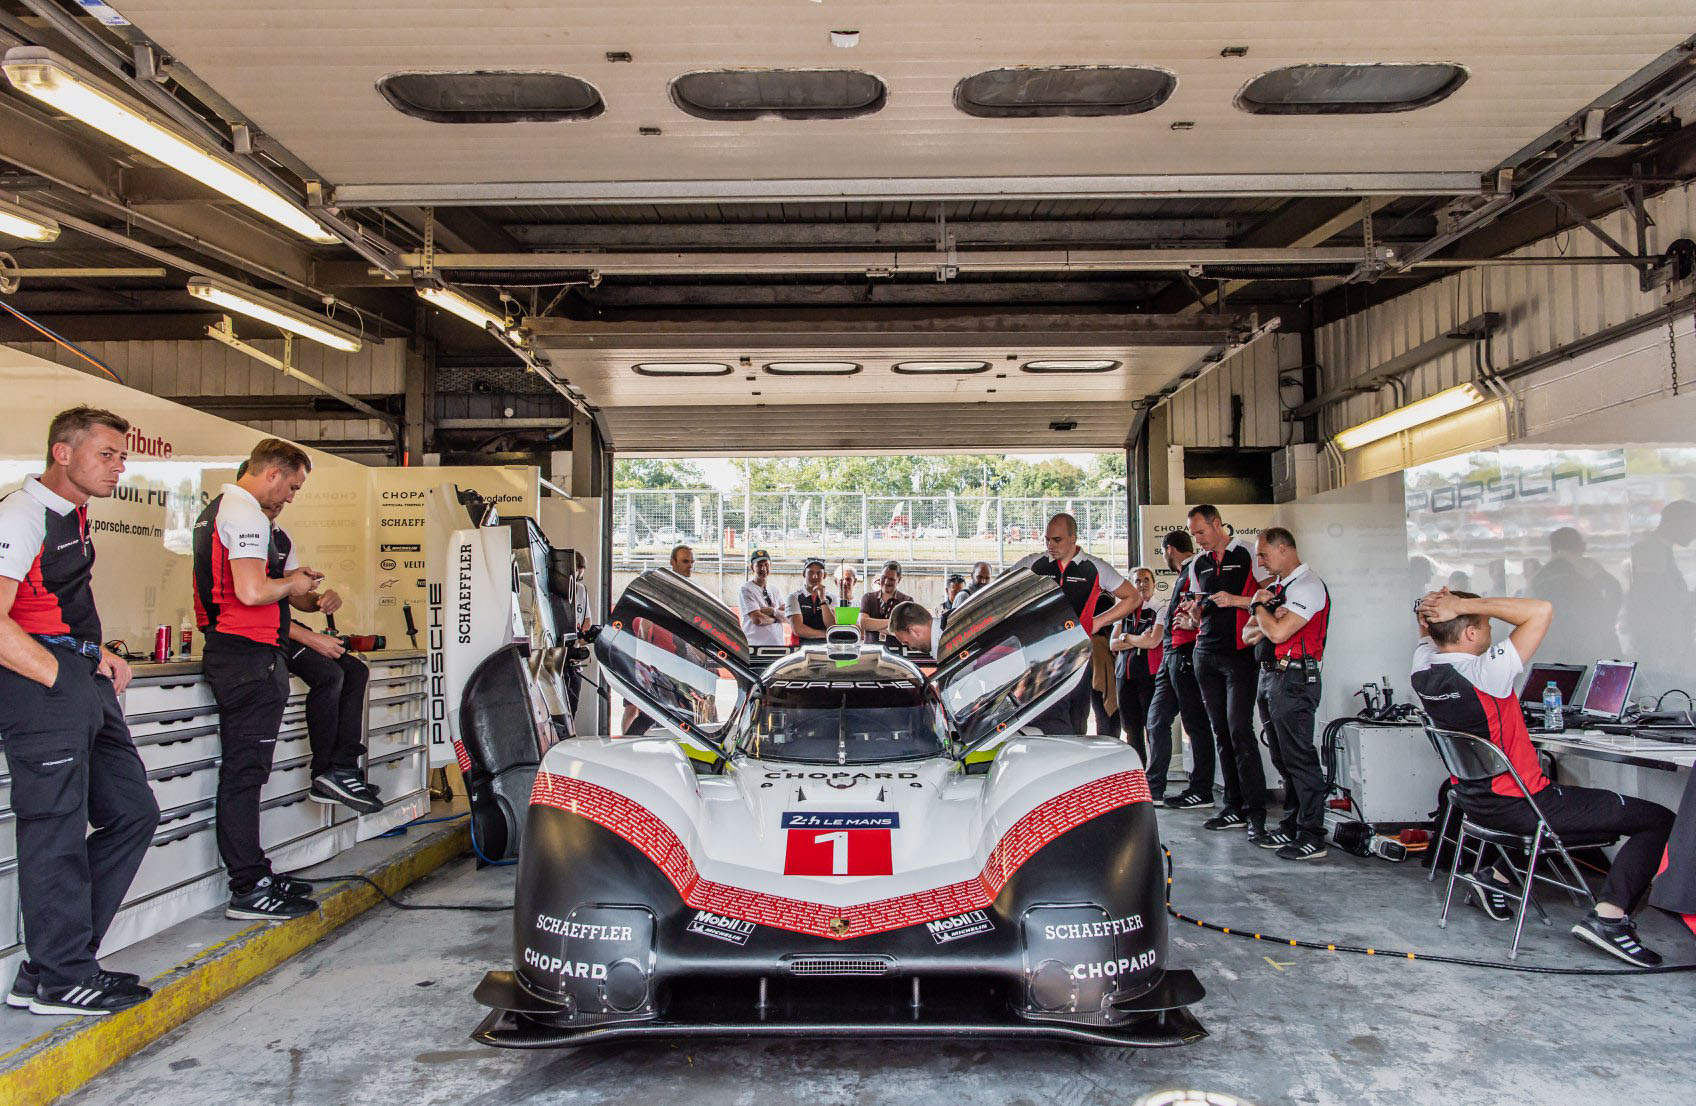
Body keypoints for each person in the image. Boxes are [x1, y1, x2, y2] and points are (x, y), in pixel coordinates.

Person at [1412, 588, 1675, 966]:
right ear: (1470, 633)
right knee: (1657, 819)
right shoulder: (1486, 673)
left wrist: (1436, 615)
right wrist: (1463, 606)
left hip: (1475, 805)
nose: (1491, 634)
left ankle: (1495, 879)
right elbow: (1540, 610)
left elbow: (1426, 638)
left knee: (1572, 796)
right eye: (1485, 626)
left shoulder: (1422, 668)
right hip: (1526, 806)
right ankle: (1610, 920)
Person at [0, 407, 160, 1016]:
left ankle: (55, 966)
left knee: (133, 813)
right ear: (63, 453)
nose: (119, 466)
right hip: (39, 688)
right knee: (56, 831)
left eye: (123, 456)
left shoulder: (72, 515)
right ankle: (63, 977)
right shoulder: (21, 513)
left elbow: (54, 606)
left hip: (76, 679)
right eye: (107, 454)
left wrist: (96, 655)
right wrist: (57, 676)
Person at [194, 439, 324, 922]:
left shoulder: (220, 510)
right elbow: (250, 592)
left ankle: (256, 873)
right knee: (245, 775)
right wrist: (292, 584)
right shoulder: (244, 513)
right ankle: (248, 887)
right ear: (272, 473)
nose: (289, 497)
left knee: (248, 774)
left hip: (243, 653)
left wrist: (294, 587)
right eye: (291, 487)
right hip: (246, 656)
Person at [258, 491, 382, 816]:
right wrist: (310, 638)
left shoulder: (279, 538)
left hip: (284, 622)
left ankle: (343, 767)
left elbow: (295, 596)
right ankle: (325, 773)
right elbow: (251, 601)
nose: (284, 499)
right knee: (330, 675)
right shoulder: (244, 536)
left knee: (356, 671)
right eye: (284, 489)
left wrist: (322, 600)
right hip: (262, 631)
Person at [1009, 513, 1142, 734]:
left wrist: (1098, 622)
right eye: (1047, 539)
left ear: (1073, 538)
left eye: (1057, 539)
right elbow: (999, 592)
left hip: (1078, 656)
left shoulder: (1094, 567)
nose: (1050, 545)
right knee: (1042, 724)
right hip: (1040, 659)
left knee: (1076, 721)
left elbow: (1133, 597)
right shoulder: (1033, 564)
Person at [1246, 528, 1331, 860]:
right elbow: (1251, 632)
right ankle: (1293, 824)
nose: (1260, 561)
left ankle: (1312, 835)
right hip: (1271, 676)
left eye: (1264, 554)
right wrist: (1266, 614)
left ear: (1283, 549)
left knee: (1300, 758)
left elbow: (1279, 631)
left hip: (1295, 680)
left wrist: (1261, 610)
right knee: (1282, 757)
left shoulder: (1308, 586)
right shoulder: (1277, 589)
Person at [1186, 505, 1268, 837]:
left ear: (1218, 525)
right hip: (1206, 654)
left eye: (1201, 532)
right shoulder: (1196, 564)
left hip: (1240, 655)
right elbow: (1198, 607)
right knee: (1221, 731)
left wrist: (1235, 600)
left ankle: (1256, 812)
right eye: (1193, 535)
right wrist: (1193, 613)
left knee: (1239, 731)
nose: (1198, 540)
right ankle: (1232, 805)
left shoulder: (1247, 552)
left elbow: (1271, 597)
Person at [1148, 532, 1218, 808]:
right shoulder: (1186, 573)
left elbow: (1205, 605)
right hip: (1171, 655)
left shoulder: (1197, 568)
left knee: (1195, 723)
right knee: (1156, 720)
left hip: (1186, 654)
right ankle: (1154, 787)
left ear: (1170, 549)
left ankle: (1201, 789)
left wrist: (1194, 622)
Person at [1624, 498, 1696, 689]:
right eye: (1692, 525)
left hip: (1665, 640)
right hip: (1660, 642)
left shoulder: (1659, 549)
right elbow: (1654, 596)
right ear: (1677, 522)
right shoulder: (1650, 549)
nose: (1694, 533)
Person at [1529, 526, 1622, 665]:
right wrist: (1607, 620)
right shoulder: (1586, 566)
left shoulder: (1539, 576)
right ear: (1578, 546)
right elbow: (1614, 588)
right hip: (1587, 642)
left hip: (1555, 646)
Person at [1109, 567, 1161, 765]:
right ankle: (1137, 770)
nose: (1142, 584)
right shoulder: (1125, 611)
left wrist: (1127, 638)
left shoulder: (1159, 609)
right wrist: (1136, 639)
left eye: (1147, 580)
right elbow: (1113, 644)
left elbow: (1152, 642)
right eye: (1137, 581)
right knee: (1131, 728)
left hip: (1148, 675)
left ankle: (1154, 773)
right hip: (1124, 676)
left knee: (1152, 726)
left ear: (1154, 583)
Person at [737, 550, 787, 647]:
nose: (763, 568)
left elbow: (788, 617)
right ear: (752, 567)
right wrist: (777, 617)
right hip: (756, 647)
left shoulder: (775, 589)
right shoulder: (746, 589)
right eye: (759, 565)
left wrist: (773, 611)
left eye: (766, 564)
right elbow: (758, 619)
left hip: (778, 645)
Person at [856, 561, 914, 643]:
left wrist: (873, 625)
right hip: (871, 651)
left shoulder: (907, 601)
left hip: (896, 652)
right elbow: (863, 623)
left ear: (899, 579)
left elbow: (904, 632)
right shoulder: (868, 597)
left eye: (891, 579)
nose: (886, 582)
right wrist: (894, 622)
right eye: (883, 577)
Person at [786, 557, 835, 641]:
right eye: (810, 572)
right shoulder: (793, 597)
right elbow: (798, 630)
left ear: (825, 575)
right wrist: (827, 634)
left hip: (826, 647)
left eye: (819, 573)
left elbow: (832, 626)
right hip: (800, 648)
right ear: (804, 574)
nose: (814, 576)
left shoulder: (832, 598)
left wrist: (823, 599)